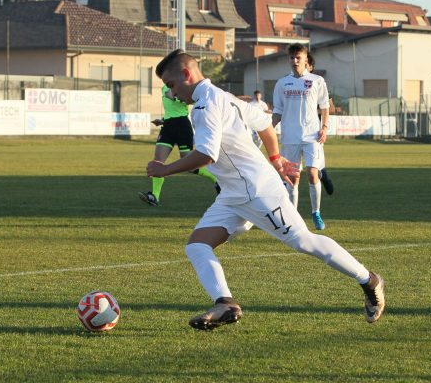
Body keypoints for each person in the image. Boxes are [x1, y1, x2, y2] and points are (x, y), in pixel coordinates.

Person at [147, 49, 385, 330]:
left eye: (172, 85)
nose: (172, 94)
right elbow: (264, 124)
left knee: (303, 242)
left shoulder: (205, 106)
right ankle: (225, 303)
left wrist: (165, 170)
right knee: (198, 245)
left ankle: (369, 280)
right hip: (233, 194)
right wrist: (276, 159)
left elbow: (206, 155)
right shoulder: (223, 97)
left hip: (258, 191)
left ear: (186, 75)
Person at [272, 44, 329, 230]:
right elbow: (278, 111)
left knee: (312, 174)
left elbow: (324, 107)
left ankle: (316, 213)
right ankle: (293, 218)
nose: (295, 61)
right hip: (290, 136)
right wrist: (268, 129)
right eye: (292, 58)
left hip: (312, 135)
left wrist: (324, 127)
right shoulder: (282, 83)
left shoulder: (317, 81)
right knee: (293, 178)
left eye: (298, 58)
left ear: (306, 60)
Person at [138, 85, 219, 206]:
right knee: (157, 162)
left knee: (189, 165)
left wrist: (177, 97)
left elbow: (185, 100)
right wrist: (163, 120)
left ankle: (216, 179)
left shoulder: (181, 87)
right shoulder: (165, 88)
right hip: (168, 127)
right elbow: (171, 108)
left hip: (182, 126)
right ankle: (154, 196)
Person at [307, 53, 334, 196]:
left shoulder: (318, 83)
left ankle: (323, 175)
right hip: (298, 130)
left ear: (311, 67)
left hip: (315, 129)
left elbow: (331, 108)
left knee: (316, 164)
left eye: (306, 64)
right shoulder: (291, 83)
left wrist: (314, 111)